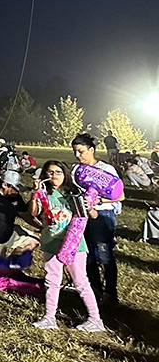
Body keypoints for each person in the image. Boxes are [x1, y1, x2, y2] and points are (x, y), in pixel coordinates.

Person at [30, 160, 104, 332]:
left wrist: (89, 206)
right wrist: (35, 193)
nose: (53, 175)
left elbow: (93, 215)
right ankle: (49, 317)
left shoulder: (74, 194)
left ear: (65, 175)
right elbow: (33, 212)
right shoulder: (44, 194)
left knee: (81, 282)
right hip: (51, 243)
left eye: (58, 172)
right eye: (50, 172)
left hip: (74, 245)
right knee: (52, 281)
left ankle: (95, 319)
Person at [71, 133, 123, 309]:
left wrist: (99, 201)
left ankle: (111, 293)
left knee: (105, 255)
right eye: (75, 152)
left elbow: (120, 195)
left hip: (103, 216)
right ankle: (94, 290)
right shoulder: (76, 171)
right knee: (88, 256)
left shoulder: (106, 169)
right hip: (83, 216)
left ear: (91, 150)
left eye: (81, 151)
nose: (78, 156)